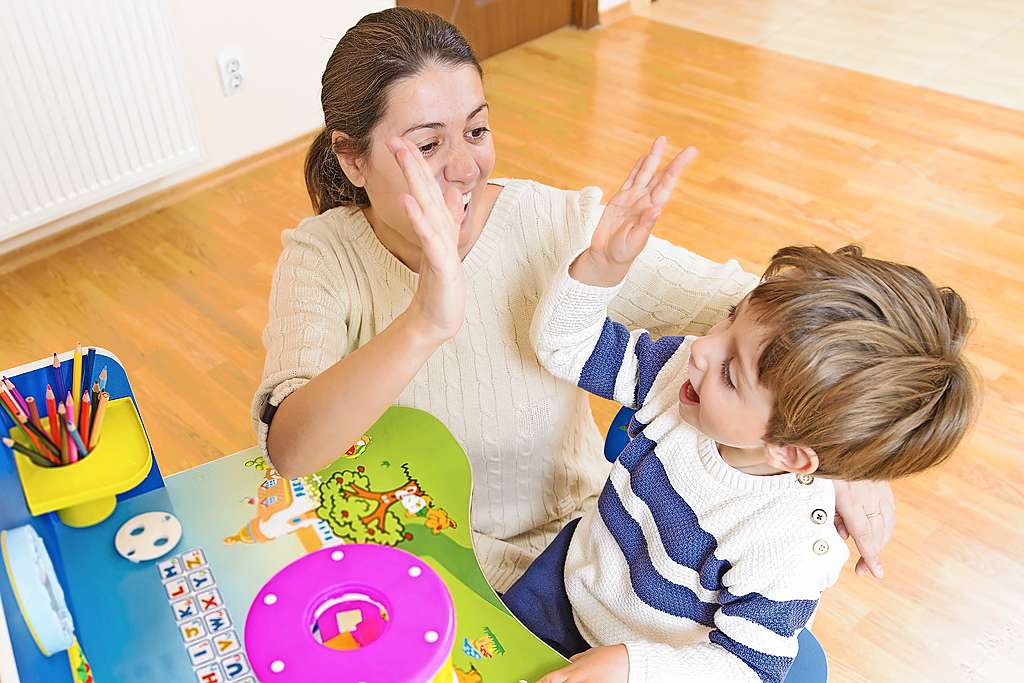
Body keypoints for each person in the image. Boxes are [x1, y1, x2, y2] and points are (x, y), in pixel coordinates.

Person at [252, 6, 894, 593]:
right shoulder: (321, 257)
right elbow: (292, 450)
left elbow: (779, 314)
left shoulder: (557, 224)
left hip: (579, 561)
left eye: (476, 131)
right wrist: (425, 320)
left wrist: (844, 451)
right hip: (411, 561)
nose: (464, 167)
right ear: (352, 158)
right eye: (427, 145)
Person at [502, 145, 977, 682]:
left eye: (731, 370)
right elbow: (566, 347)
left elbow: (748, 667)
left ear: (790, 452)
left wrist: (632, 666)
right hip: (564, 588)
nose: (702, 348)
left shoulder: (787, 547)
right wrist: (604, 266)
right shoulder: (682, 376)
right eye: (729, 320)